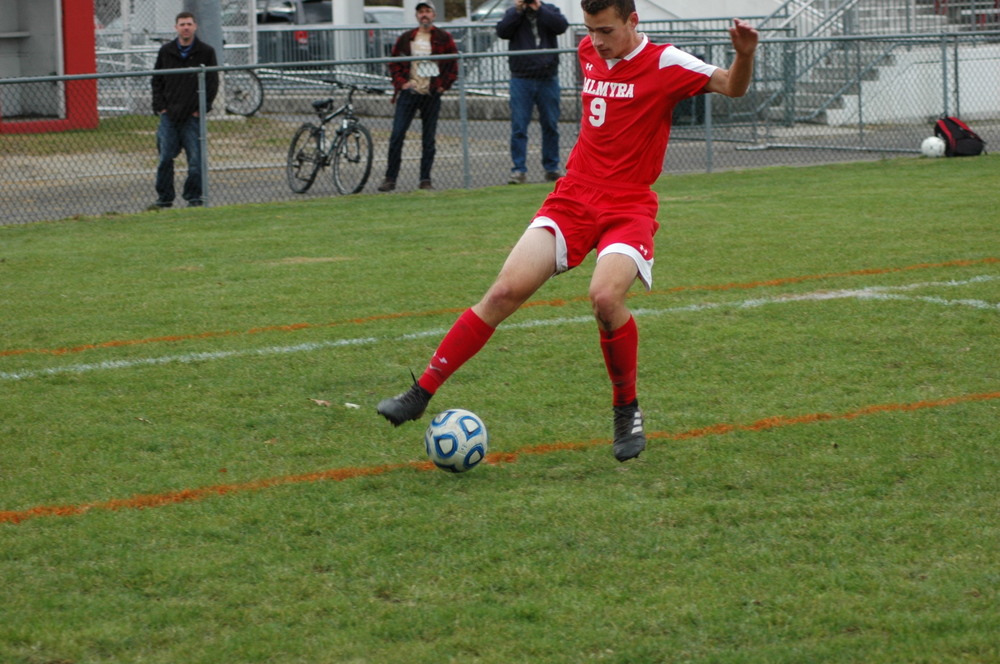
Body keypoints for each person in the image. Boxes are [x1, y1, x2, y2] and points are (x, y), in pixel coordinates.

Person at [377, 0, 758, 462]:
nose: (597, 40)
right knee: (502, 292)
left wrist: (744, 55)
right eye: (591, 29)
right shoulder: (586, 51)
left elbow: (732, 89)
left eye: (607, 30)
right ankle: (420, 393)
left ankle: (626, 408)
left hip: (628, 204)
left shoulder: (666, 62)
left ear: (633, 22)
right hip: (574, 197)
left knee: (604, 298)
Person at [376, 1, 458, 192]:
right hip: (409, 93)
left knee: (428, 139)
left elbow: (453, 65)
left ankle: (425, 179)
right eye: (421, 12)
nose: (424, 15)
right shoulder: (406, 38)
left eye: (428, 11)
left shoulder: (443, 38)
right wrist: (401, 83)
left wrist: (443, 86)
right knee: (397, 135)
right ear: (416, 16)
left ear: (434, 15)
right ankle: (390, 178)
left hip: (431, 92)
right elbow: (394, 63)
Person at [150, 12, 218, 209]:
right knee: (165, 159)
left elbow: (212, 82)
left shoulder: (206, 52)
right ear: (176, 28)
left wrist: (201, 109)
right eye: (182, 24)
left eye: (189, 24)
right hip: (169, 115)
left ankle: (193, 197)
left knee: (195, 161)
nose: (185, 27)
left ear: (195, 26)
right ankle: (164, 198)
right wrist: (160, 107)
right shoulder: (166, 51)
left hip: (192, 116)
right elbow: (157, 81)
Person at [496, 0, 569, 185]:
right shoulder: (513, 12)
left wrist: (539, 8)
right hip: (521, 78)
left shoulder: (549, 9)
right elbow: (502, 31)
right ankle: (518, 170)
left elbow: (561, 26)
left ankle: (552, 167)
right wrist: (519, 10)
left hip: (547, 78)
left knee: (551, 125)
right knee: (519, 126)